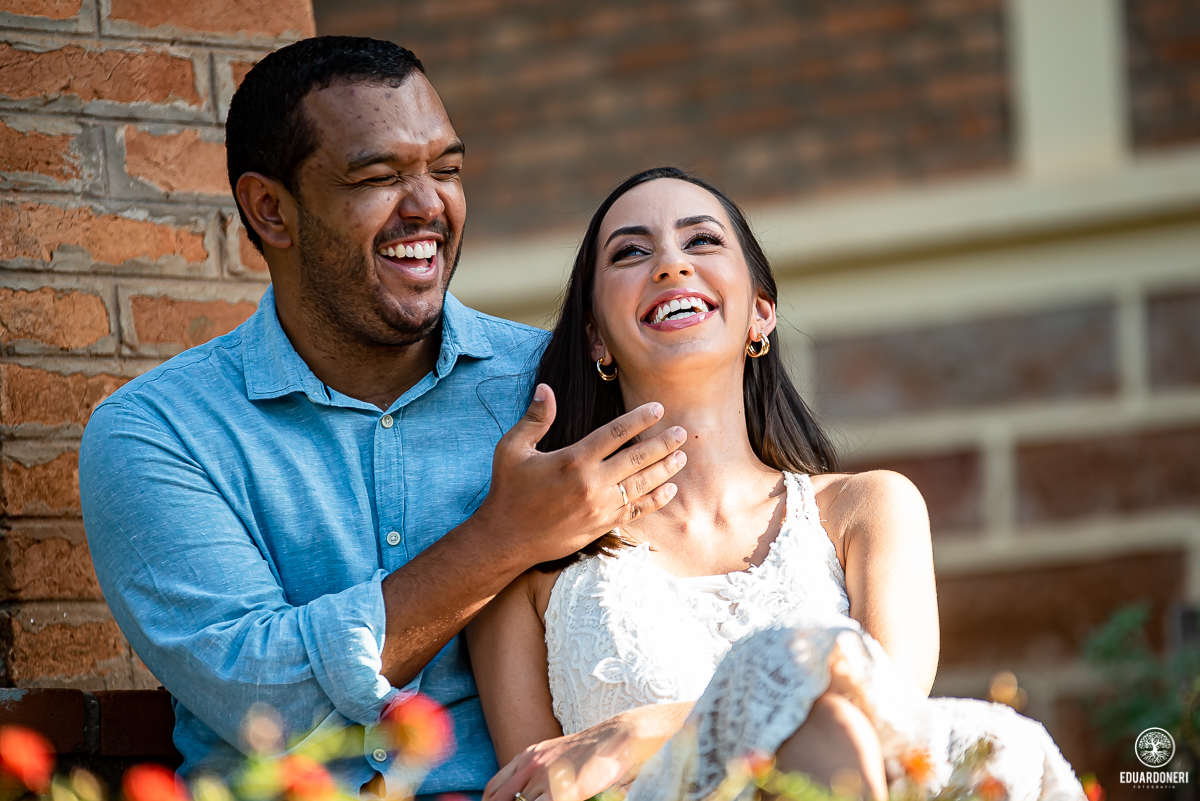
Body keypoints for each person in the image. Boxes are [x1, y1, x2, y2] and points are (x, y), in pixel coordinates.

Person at [78, 38, 689, 795]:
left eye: (448, 170)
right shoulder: (160, 433)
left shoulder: (560, 382)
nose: (429, 205)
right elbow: (263, 694)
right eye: (378, 176)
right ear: (270, 209)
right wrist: (506, 535)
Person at [466, 168, 1087, 801]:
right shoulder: (524, 569)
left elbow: (883, 714)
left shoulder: (868, 511)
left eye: (701, 241)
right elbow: (531, 786)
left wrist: (640, 732)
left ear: (760, 312)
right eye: (631, 251)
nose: (670, 265)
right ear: (596, 335)